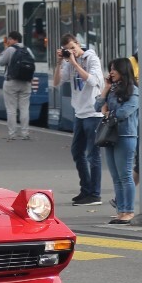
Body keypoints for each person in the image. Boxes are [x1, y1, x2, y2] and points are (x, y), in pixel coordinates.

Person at [54, 34, 104, 205]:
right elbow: (56, 83)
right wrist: (61, 62)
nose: (72, 51)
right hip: (80, 114)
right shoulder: (68, 63)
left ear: (78, 44)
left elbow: (93, 81)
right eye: (68, 50)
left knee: (93, 155)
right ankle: (86, 189)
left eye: (73, 48)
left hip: (93, 114)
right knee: (77, 152)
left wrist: (75, 63)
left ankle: (95, 194)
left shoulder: (92, 59)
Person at [101, 57, 140, 224]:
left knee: (125, 175)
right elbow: (97, 106)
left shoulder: (134, 90)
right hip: (110, 135)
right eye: (110, 69)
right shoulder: (112, 89)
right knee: (116, 176)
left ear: (123, 70)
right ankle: (121, 211)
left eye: (114, 69)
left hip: (125, 136)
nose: (111, 72)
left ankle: (128, 211)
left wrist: (109, 113)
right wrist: (106, 88)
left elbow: (125, 112)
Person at [0, 30, 33, 140]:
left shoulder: (10, 49)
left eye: (9, 39)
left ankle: (12, 134)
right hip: (26, 82)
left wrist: (5, 50)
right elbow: (32, 62)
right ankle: (25, 133)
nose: (8, 41)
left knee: (11, 109)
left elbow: (1, 62)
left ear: (13, 39)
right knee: (24, 108)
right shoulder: (28, 50)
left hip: (11, 82)